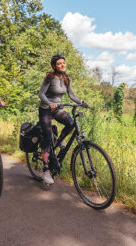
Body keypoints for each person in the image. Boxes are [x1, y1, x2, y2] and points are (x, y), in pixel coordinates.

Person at [38, 54, 88, 185]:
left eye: (63, 63)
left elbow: (71, 94)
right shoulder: (50, 77)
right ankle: (46, 170)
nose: (62, 65)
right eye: (59, 63)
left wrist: (81, 102)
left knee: (71, 123)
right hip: (45, 109)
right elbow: (41, 93)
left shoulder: (66, 78)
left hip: (57, 109)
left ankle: (59, 141)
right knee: (47, 138)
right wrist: (49, 103)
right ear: (54, 66)